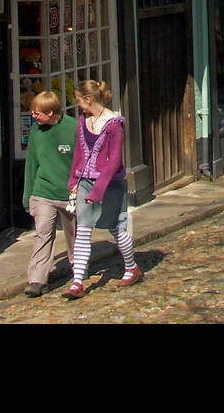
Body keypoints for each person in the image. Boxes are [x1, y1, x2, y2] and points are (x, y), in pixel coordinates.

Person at [61, 79, 141, 298]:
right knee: (83, 230)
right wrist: (73, 181)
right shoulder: (83, 121)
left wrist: (98, 191)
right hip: (85, 181)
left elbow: (114, 161)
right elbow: (78, 153)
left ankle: (131, 267)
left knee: (115, 227)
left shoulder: (114, 124)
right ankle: (77, 283)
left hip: (111, 185)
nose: (78, 105)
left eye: (79, 100)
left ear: (88, 99)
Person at [21, 91, 78, 298]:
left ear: (51, 112)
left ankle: (78, 270)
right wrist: (28, 196)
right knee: (43, 234)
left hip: (69, 193)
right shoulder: (36, 131)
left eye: (37, 114)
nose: (34, 117)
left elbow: (83, 160)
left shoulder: (73, 128)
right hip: (43, 192)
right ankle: (37, 279)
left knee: (74, 235)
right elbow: (31, 164)